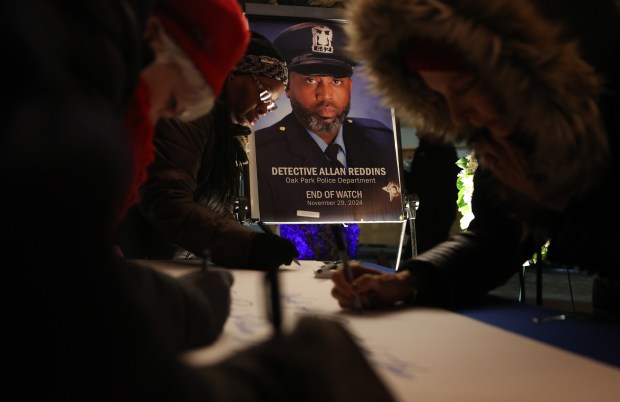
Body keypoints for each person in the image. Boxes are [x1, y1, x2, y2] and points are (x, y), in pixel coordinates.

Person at [330, 0, 620, 321]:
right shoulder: (501, 137)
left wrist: (558, 205)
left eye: (464, 88)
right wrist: (407, 282)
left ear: (517, 75)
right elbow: (495, 238)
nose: (457, 114)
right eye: (440, 96)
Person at [115, 31, 300, 269]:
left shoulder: (223, 131)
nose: (266, 108)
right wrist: (249, 246)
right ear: (232, 73)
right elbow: (166, 201)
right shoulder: (186, 114)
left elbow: (213, 211)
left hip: (165, 262)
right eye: (264, 94)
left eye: (272, 103)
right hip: (140, 262)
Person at [254, 21, 403, 223]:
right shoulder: (261, 154)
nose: (325, 95)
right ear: (288, 87)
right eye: (311, 80)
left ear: (350, 86)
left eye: (336, 81)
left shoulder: (383, 142)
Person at [402, 135, 460, 257]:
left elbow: (422, 182)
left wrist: (404, 176)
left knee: (424, 252)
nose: (417, 131)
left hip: (431, 214)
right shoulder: (435, 149)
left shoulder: (437, 151)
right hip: (432, 214)